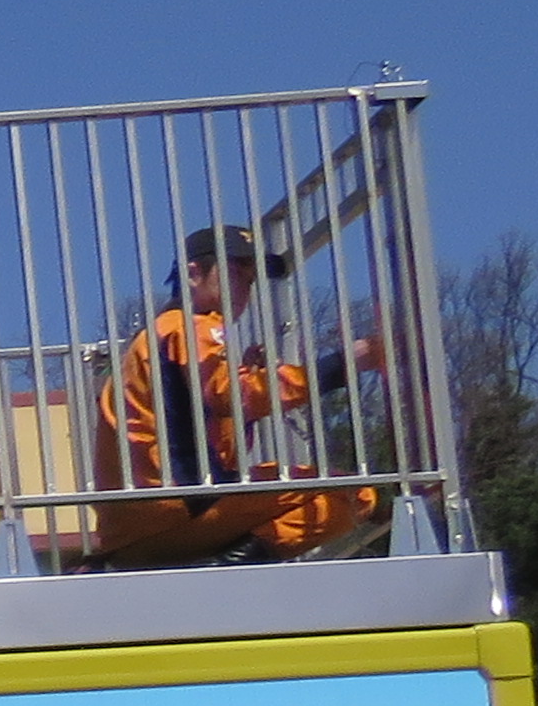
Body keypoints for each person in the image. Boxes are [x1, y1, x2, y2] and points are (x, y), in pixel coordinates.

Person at [93, 223, 384, 569]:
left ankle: (223, 562)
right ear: (193, 274)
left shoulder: (155, 336)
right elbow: (238, 395)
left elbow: (216, 443)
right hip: (177, 507)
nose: (243, 289)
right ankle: (227, 568)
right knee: (354, 493)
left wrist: (242, 384)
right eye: (234, 273)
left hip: (130, 530)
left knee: (274, 479)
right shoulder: (190, 326)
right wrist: (347, 362)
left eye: (250, 280)